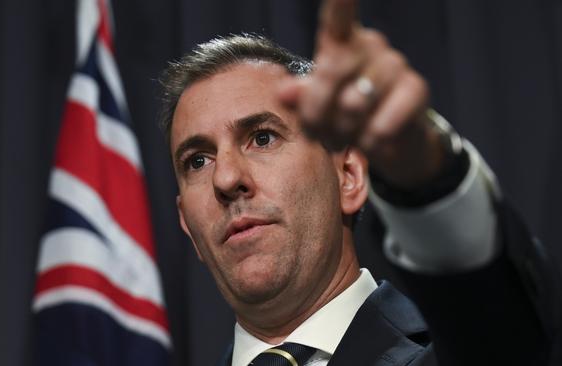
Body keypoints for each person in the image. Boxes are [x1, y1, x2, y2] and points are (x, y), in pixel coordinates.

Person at [158, 0, 560, 364]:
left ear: (348, 175)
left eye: (263, 137)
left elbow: (508, 335)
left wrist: (421, 174)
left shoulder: (458, 349)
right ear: (187, 226)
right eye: (197, 161)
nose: (226, 178)